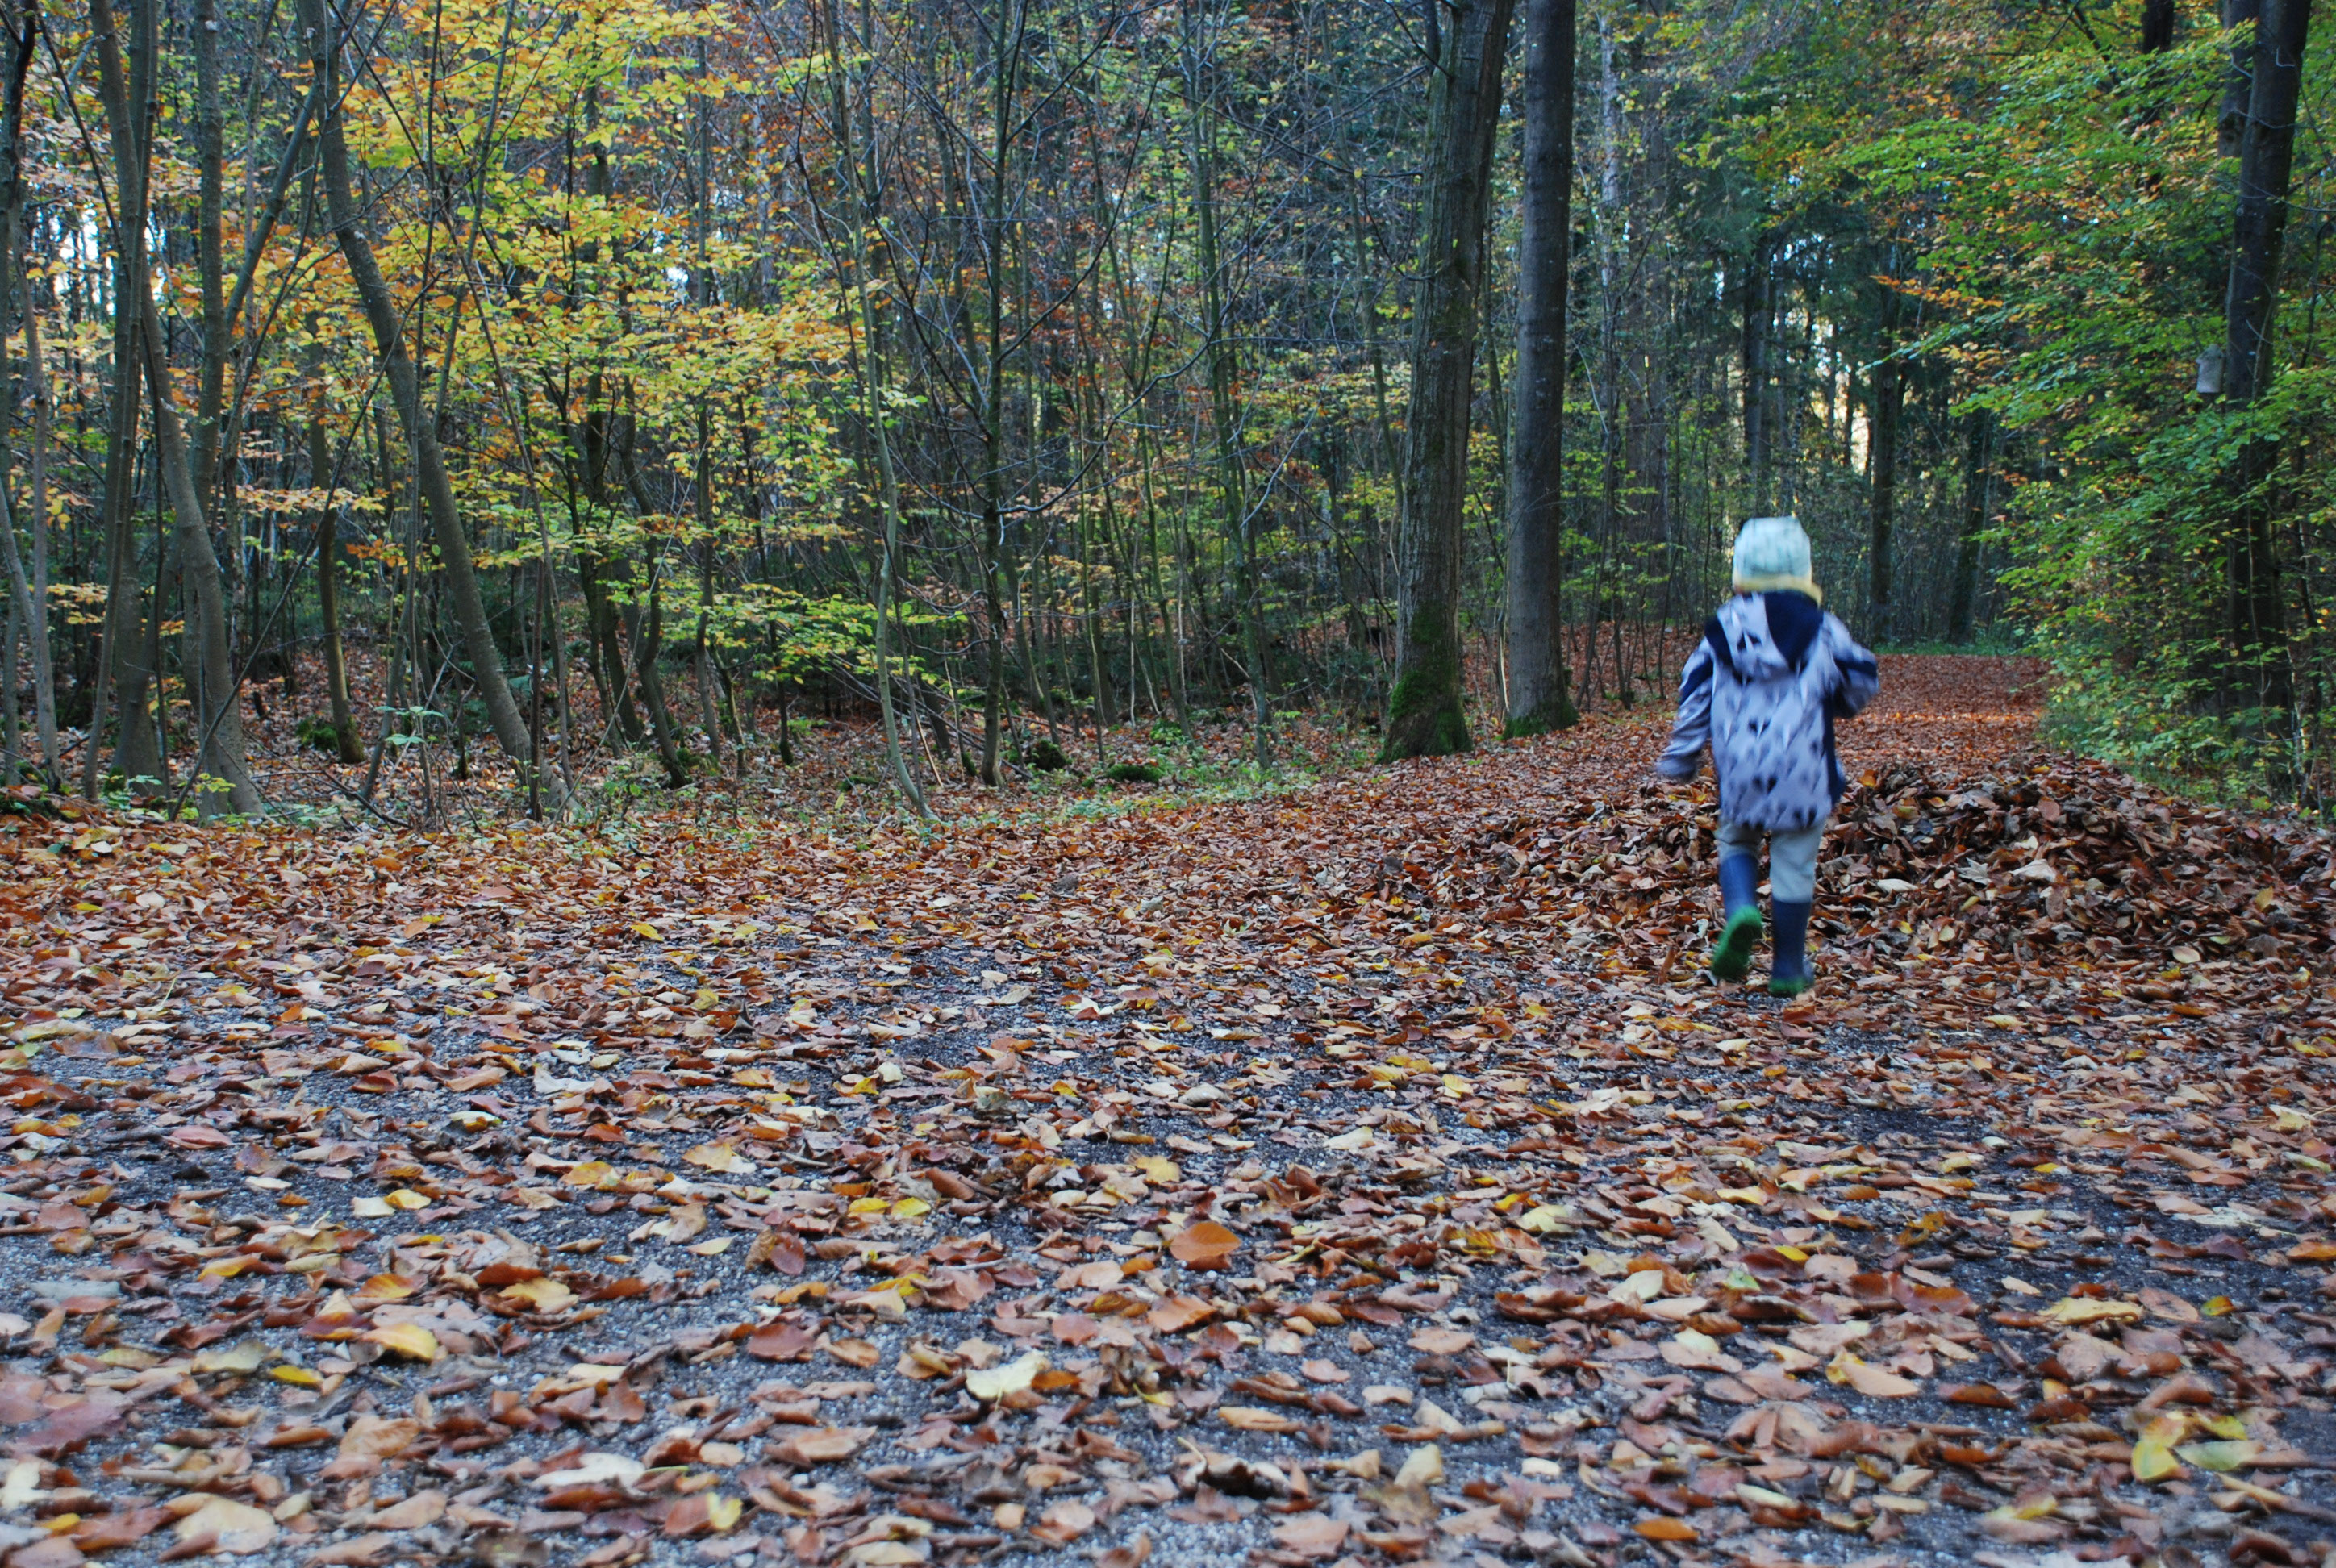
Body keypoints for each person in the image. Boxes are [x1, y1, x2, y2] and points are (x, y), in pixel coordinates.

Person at [1657, 516, 1879, 995]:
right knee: (1794, 861)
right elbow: (1862, 676)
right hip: (1804, 768)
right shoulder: (1821, 628)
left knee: (1737, 841)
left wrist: (1683, 754)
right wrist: (1839, 701)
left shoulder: (1723, 628)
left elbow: (1695, 691)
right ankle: (1788, 968)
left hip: (1741, 770)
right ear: (1803, 572)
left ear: (1741, 571)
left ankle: (1740, 910)